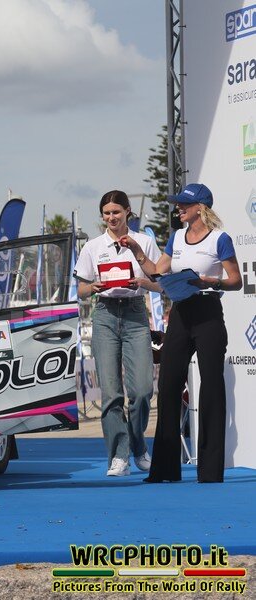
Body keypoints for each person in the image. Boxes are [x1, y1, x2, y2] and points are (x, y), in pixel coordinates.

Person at [119, 183, 241, 483]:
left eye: (184, 204)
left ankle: (210, 472)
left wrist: (211, 282)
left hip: (208, 312)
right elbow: (158, 274)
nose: (178, 208)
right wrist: (136, 251)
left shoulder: (220, 239)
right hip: (181, 314)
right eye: (178, 204)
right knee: (169, 385)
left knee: (211, 386)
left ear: (201, 207)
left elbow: (236, 281)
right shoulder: (176, 238)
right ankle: (165, 470)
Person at [74, 190, 162, 477]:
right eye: (106, 213)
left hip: (136, 313)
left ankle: (138, 446)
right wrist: (94, 287)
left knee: (142, 390)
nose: (111, 217)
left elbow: (161, 282)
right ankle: (118, 456)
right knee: (111, 393)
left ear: (127, 212)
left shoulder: (145, 242)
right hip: (105, 314)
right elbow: (81, 290)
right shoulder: (93, 247)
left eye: (116, 212)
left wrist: (141, 283)